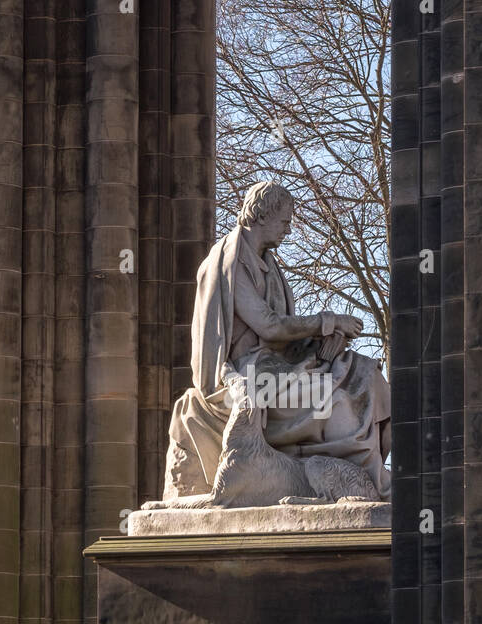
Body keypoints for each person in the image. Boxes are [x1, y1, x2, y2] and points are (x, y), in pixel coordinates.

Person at [160, 180, 391, 502]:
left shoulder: (268, 262)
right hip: (250, 370)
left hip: (280, 361)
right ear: (262, 215)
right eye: (285, 222)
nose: (289, 231)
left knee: (367, 373)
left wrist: (324, 340)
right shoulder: (231, 260)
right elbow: (268, 326)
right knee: (343, 393)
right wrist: (327, 322)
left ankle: (377, 484)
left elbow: (280, 332)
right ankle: (356, 483)